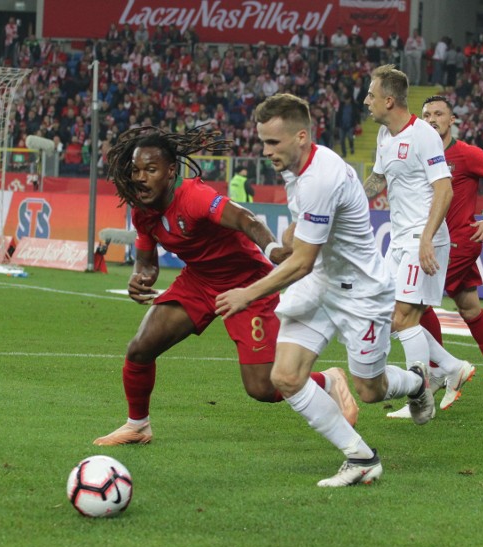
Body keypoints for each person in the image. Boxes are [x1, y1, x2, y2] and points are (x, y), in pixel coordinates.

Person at [216, 94, 434, 487]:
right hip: (321, 283)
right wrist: (290, 235)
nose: (266, 152)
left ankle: (418, 382)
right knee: (284, 376)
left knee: (370, 390)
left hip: (361, 292)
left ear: (301, 136)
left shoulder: (321, 176)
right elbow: (303, 240)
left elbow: (299, 261)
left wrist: (247, 294)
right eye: (263, 142)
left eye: (273, 143)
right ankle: (361, 457)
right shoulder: (295, 166)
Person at [93, 126, 358, 446]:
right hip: (199, 280)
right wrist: (141, 277)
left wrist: (273, 250)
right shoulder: (143, 211)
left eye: (151, 169)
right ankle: (138, 426)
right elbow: (147, 262)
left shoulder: (194, 196)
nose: (141, 178)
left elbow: (246, 219)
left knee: (262, 387)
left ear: (170, 171)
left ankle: (328, 380)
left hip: (247, 283)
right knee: (140, 349)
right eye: (136, 171)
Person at [387, 95, 483, 419]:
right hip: (435, 240)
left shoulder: (466, 154)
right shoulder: (422, 150)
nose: (432, 119)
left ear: (451, 120)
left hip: (456, 240)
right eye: (427, 113)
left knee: (413, 303)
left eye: (439, 114)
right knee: (468, 306)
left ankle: (437, 371)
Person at [363, 65, 474, 412]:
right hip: (399, 239)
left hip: (422, 238)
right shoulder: (384, 136)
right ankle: (453, 368)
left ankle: (419, 395)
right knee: (385, 314)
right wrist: (346, 203)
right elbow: (378, 180)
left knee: (402, 317)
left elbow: (445, 188)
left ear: (389, 100)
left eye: (371, 95)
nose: (366, 101)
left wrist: (426, 239)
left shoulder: (422, 135)